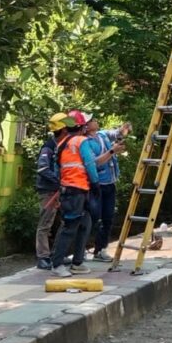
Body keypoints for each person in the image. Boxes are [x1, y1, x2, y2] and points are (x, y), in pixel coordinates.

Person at [50, 111, 101, 277]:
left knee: (85, 223)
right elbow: (89, 164)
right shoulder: (81, 141)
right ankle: (57, 264)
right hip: (77, 191)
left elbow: (59, 170)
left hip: (70, 190)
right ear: (81, 126)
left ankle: (77, 262)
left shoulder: (62, 144)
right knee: (70, 227)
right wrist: (95, 183)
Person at [86, 116, 132, 261]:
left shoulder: (102, 135)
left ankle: (100, 250)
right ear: (86, 126)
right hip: (96, 185)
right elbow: (95, 163)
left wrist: (124, 130)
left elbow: (117, 133)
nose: (95, 120)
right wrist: (112, 151)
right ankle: (81, 249)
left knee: (108, 218)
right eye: (91, 120)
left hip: (110, 184)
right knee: (94, 219)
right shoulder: (85, 142)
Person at [33, 112, 69, 269]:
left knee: (63, 222)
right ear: (63, 129)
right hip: (49, 191)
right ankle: (43, 257)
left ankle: (56, 253)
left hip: (59, 190)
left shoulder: (61, 145)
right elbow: (43, 168)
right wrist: (58, 181)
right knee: (45, 224)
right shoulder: (49, 147)